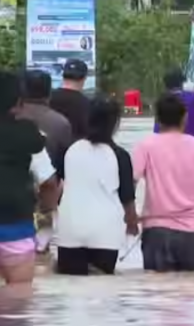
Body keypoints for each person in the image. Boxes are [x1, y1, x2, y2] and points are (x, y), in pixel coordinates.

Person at [133, 94, 194, 272]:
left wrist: (130, 217)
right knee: (190, 291)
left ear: (157, 119)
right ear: (185, 117)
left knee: (157, 292)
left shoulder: (145, 146)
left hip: (156, 231)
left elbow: (131, 183)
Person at [55, 97, 139, 275]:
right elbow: (128, 200)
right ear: (116, 123)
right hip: (105, 235)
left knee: (71, 293)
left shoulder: (69, 150)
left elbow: (55, 188)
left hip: (70, 231)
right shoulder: (121, 156)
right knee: (101, 293)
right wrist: (133, 225)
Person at [0, 72, 60, 285]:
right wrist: (44, 215)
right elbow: (49, 184)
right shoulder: (30, 137)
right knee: (19, 299)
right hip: (16, 228)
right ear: (18, 103)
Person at [17, 70, 72, 170]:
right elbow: (65, 163)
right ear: (49, 93)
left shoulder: (10, 117)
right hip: (50, 182)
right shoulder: (60, 123)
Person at [153, 70, 194, 140]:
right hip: (193, 144)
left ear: (165, 84)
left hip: (164, 144)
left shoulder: (161, 101)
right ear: (182, 83)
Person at [50, 59, 91, 140]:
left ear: (63, 75)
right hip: (75, 150)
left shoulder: (47, 98)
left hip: (48, 149)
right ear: (84, 78)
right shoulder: (88, 105)